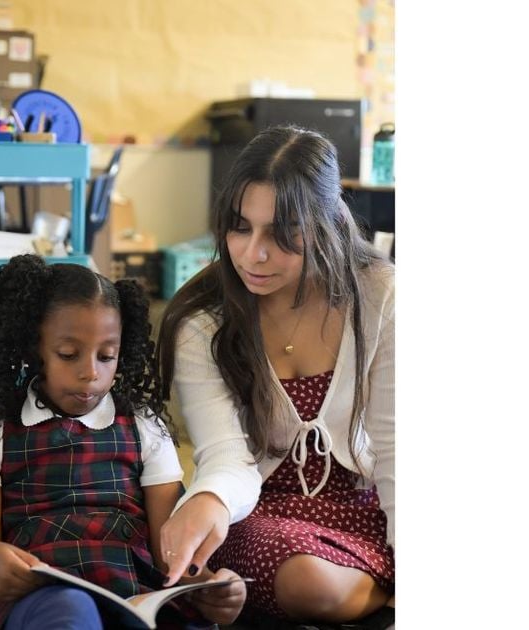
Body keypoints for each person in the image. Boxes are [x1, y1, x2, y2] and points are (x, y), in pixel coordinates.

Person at [156, 126, 395, 625]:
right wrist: (210, 501)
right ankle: (381, 598)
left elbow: (397, 449)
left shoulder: (382, 296)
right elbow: (226, 457)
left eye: (282, 233)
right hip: (262, 515)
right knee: (306, 579)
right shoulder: (204, 322)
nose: (253, 254)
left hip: (367, 508)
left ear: (327, 224)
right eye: (240, 227)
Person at [0, 254, 246, 630]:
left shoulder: (144, 426)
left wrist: (210, 587)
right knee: (70, 612)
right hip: (42, 599)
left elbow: (171, 560)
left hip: (132, 592)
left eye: (107, 356)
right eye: (68, 355)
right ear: (34, 347)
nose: (90, 373)